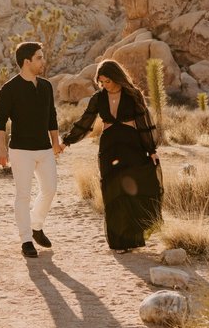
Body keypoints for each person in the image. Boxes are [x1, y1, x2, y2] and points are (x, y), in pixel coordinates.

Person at [62, 59, 162, 253]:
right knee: (112, 191)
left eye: (108, 81)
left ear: (116, 77)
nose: (105, 85)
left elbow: (144, 124)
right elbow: (85, 122)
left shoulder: (133, 95)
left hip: (132, 147)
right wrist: (67, 141)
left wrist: (151, 150)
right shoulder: (98, 98)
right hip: (109, 148)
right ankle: (118, 242)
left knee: (132, 191)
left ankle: (133, 239)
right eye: (102, 82)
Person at [0, 41, 64, 258]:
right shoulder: (9, 89)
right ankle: (26, 240)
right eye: (39, 58)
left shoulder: (46, 86)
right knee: (23, 195)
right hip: (20, 150)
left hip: (44, 149)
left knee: (50, 189)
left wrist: (55, 141)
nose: (43, 61)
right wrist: (1, 149)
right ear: (27, 62)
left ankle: (36, 224)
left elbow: (51, 115)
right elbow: (0, 121)